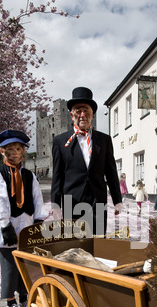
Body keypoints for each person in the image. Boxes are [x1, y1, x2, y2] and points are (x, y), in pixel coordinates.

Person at [0, 130, 48, 307]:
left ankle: (24, 297)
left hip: (27, 223)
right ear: (2, 151)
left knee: (26, 263)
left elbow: (37, 198)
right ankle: (10, 302)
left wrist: (38, 220)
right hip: (9, 225)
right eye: (9, 149)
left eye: (18, 149)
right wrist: (5, 225)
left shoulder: (29, 175)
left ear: (23, 151)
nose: (14, 153)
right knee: (10, 266)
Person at [51, 87, 122, 235]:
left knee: (98, 241)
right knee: (75, 244)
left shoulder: (104, 140)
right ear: (71, 115)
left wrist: (117, 199)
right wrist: (56, 204)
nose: (82, 115)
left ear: (92, 114)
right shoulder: (60, 141)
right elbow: (57, 176)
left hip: (98, 200)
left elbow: (111, 171)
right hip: (72, 201)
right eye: (78, 111)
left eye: (86, 110)